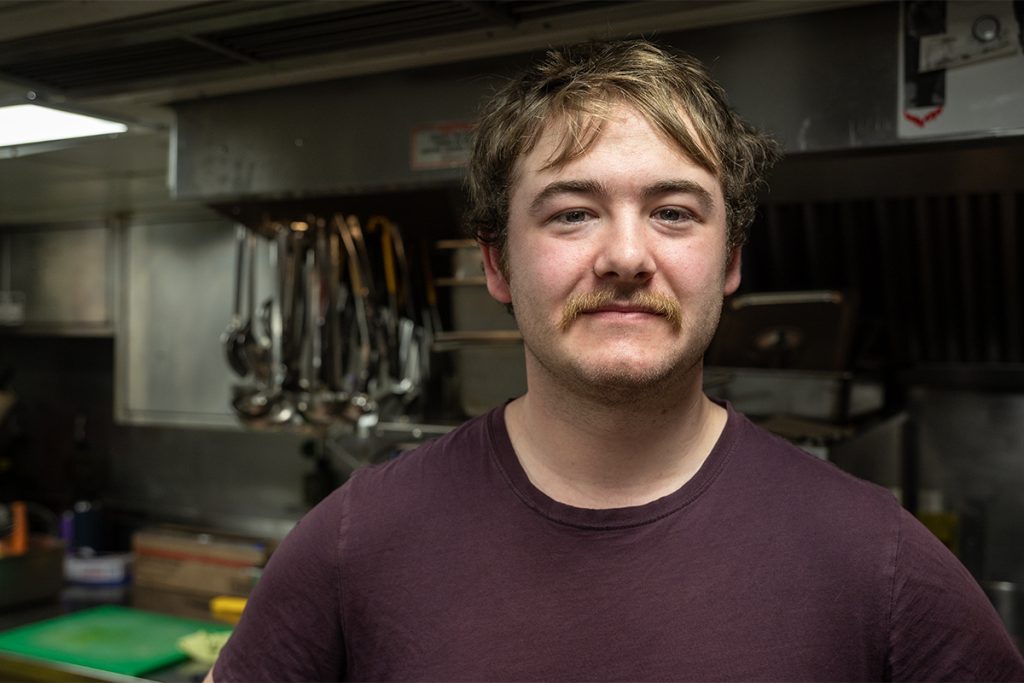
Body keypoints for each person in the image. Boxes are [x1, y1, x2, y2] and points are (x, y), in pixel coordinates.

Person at [207, 39, 1024, 681]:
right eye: (571, 213)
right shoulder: (358, 540)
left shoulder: (875, 557)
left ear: (730, 261)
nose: (626, 255)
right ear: (496, 264)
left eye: (673, 211)